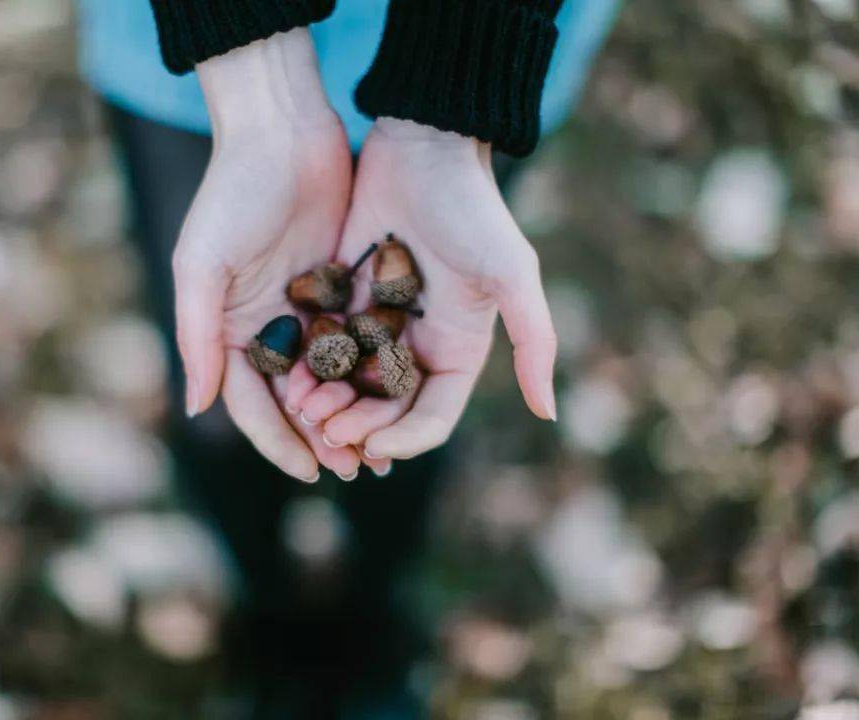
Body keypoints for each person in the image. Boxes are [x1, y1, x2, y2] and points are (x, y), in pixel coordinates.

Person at [79, 1, 620, 716]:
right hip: (195, 49)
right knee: (214, 394)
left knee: (399, 429)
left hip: (485, 46)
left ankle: (375, 613)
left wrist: (449, 114)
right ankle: (267, 609)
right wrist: (256, 80)